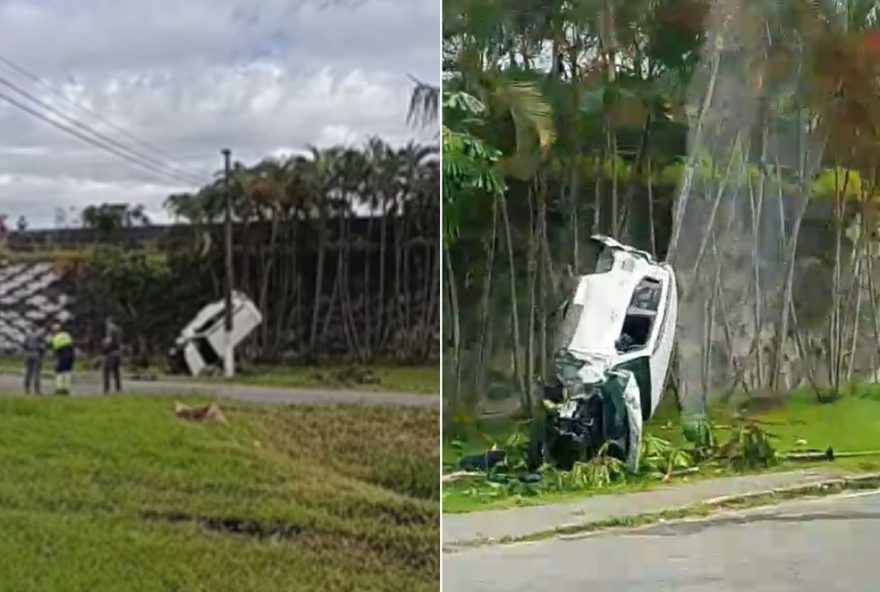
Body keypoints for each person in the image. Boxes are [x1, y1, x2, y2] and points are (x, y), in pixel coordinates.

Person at [49, 323, 75, 395]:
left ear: (55, 331)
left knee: (59, 371)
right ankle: (66, 389)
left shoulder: (55, 338)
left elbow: (55, 349)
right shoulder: (66, 335)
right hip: (71, 355)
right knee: (67, 371)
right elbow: (71, 344)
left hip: (63, 355)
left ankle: (59, 388)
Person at [102, 316, 123, 394]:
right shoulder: (120, 330)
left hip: (111, 353)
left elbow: (109, 341)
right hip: (118, 352)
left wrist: (104, 346)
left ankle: (106, 389)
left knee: (106, 371)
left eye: (107, 323)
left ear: (109, 322)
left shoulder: (110, 330)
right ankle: (118, 388)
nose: (106, 325)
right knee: (116, 371)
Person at [22, 325, 45, 394]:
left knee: (28, 372)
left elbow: (24, 345)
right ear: (36, 329)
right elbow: (42, 346)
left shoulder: (27, 336)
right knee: (36, 372)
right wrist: (42, 354)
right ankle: (37, 390)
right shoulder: (39, 336)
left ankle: (27, 389)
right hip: (36, 353)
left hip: (28, 354)